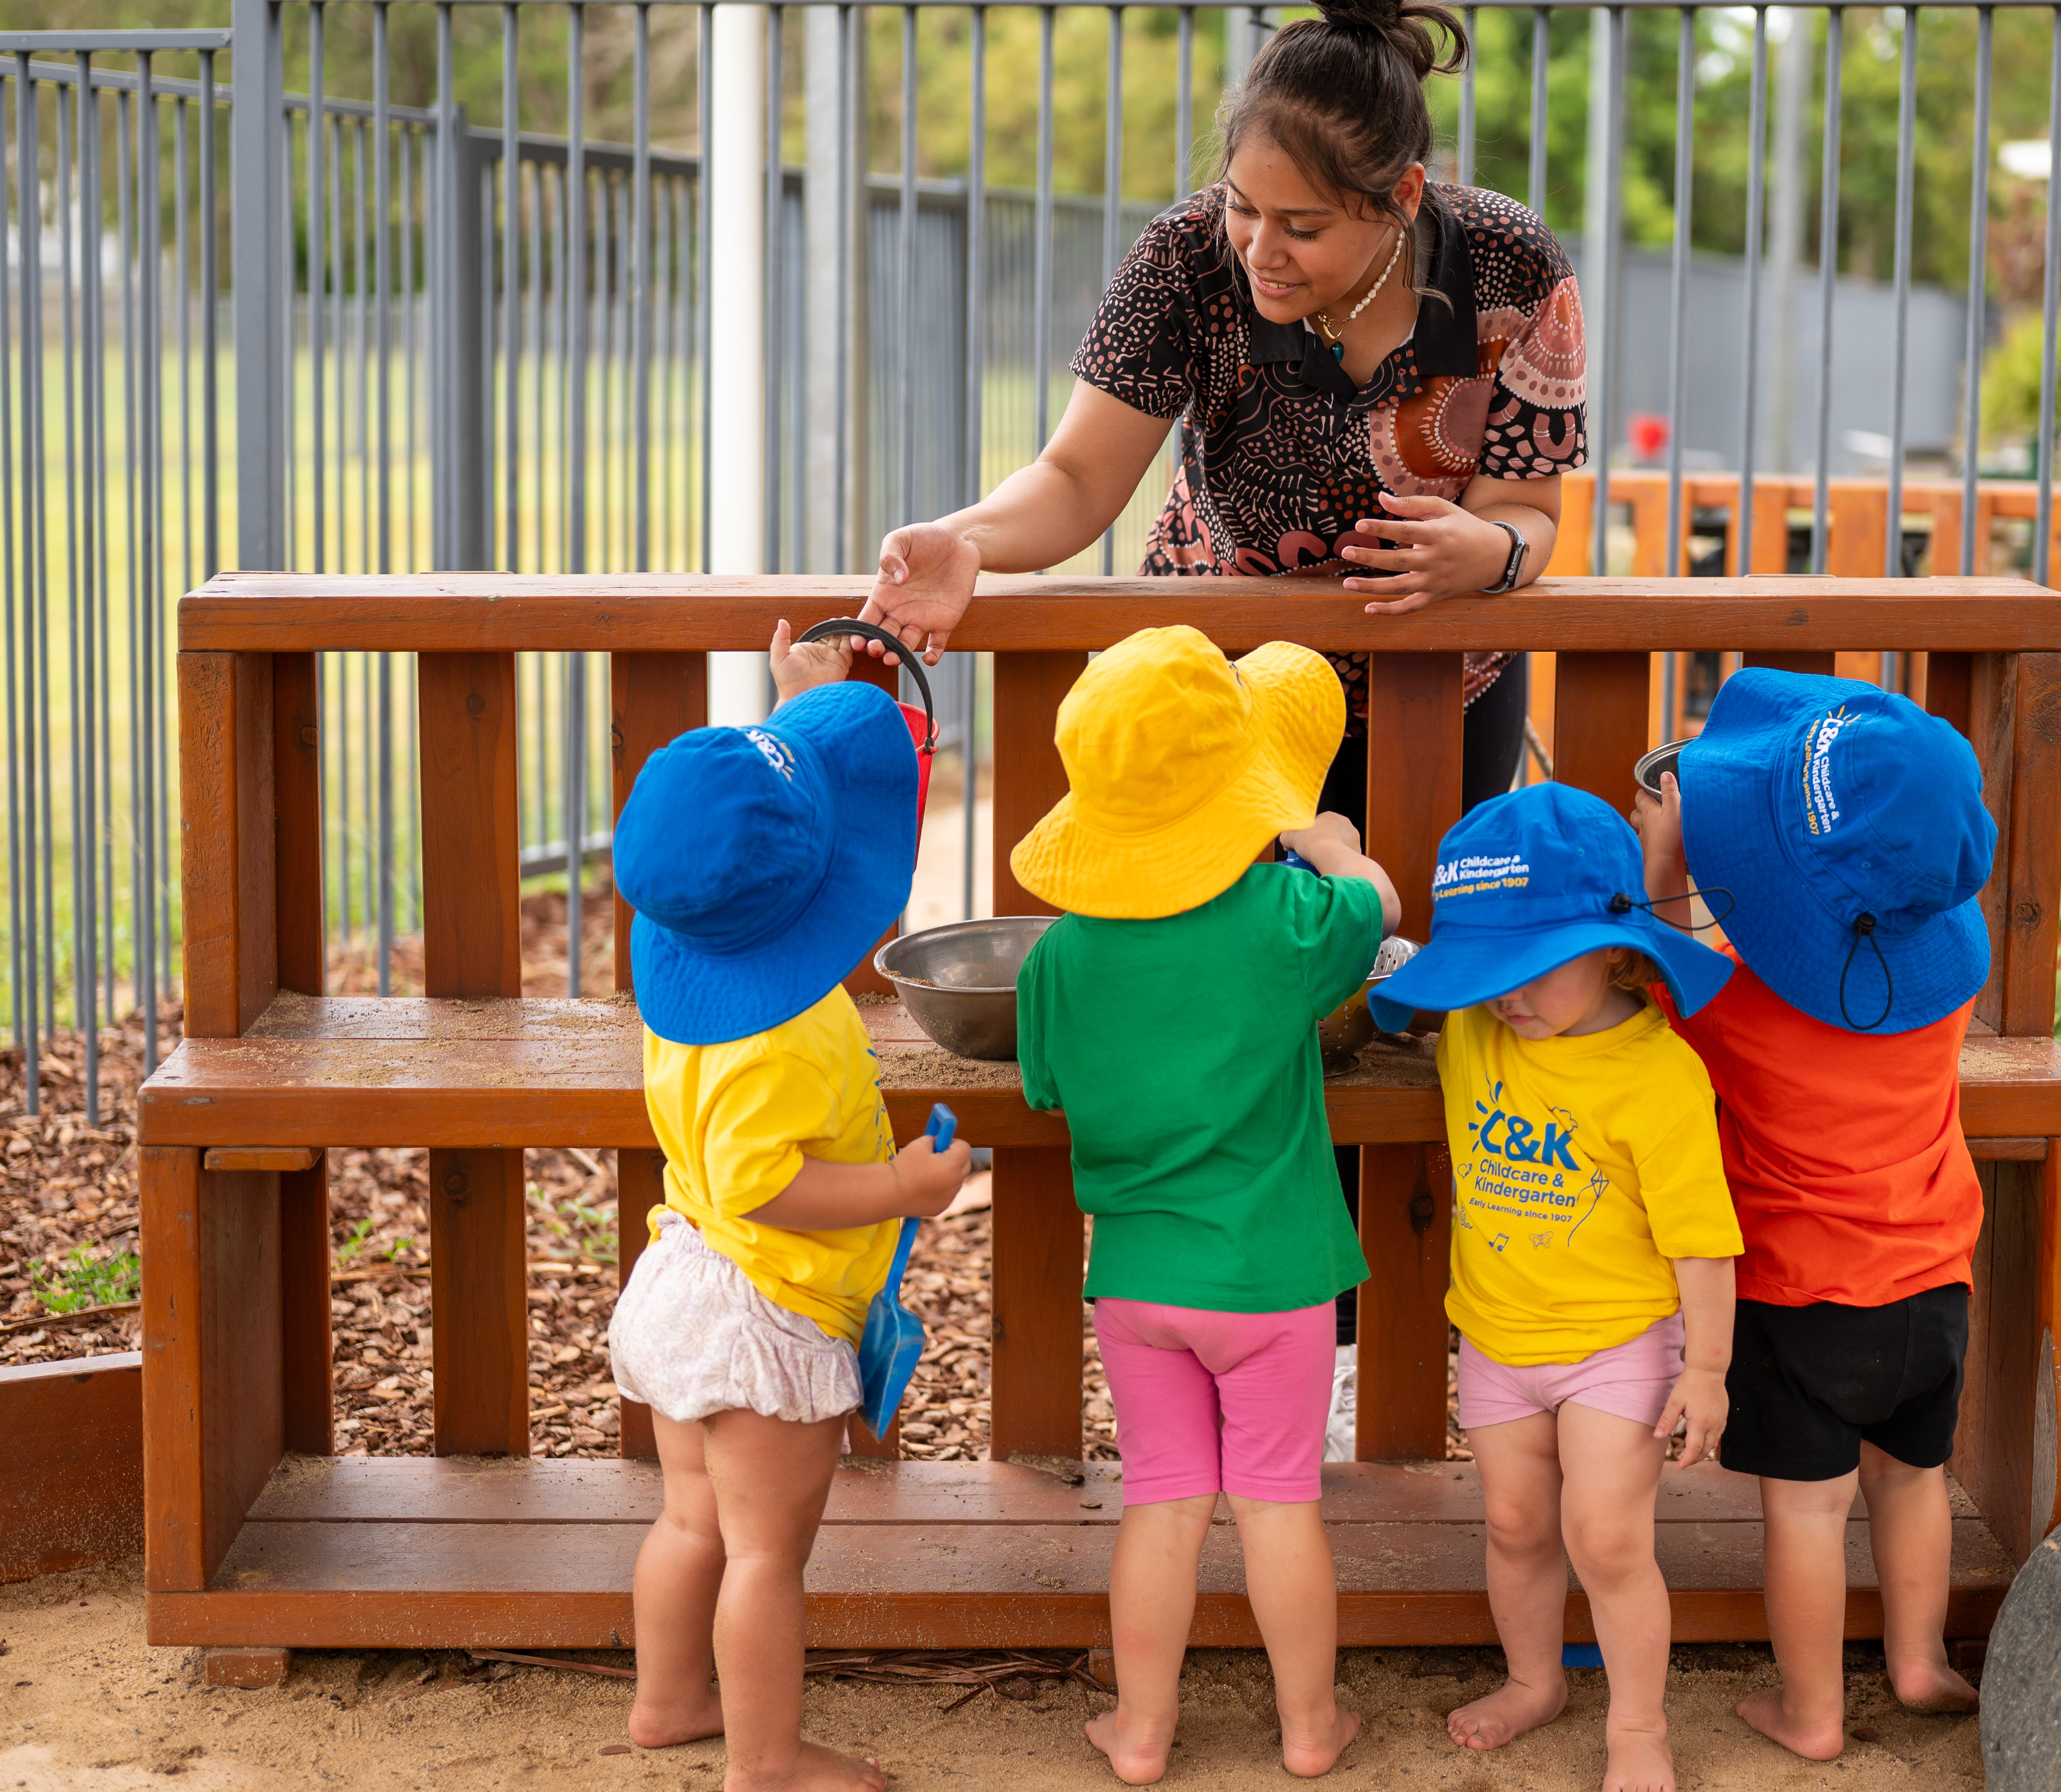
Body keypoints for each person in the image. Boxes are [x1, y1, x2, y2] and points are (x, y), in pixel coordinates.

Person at [855, 0, 1586, 824]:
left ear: (1403, 195)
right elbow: (1075, 479)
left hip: (1439, 674)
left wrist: (1486, 553)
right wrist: (967, 541)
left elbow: (1526, 511)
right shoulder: (1183, 253)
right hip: (1214, 679)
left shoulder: (1512, 261)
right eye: (1244, 206)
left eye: (1302, 227)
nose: (1259, 251)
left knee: (1416, 936)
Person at [1010, 626, 1399, 1786]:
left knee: (1161, 1505)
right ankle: (1309, 1727)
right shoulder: (1284, 927)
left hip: (1137, 1283)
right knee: (1277, 1507)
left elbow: (1042, 1079)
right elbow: (1373, 911)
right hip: (1271, 1281)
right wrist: (1327, 841)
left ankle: (1138, 1731)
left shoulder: (1055, 962)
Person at [606, 624, 976, 1792]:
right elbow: (775, 1183)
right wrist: (904, 1188)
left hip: (687, 1277)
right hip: (765, 1307)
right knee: (766, 1553)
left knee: (689, 1522)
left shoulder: (697, 965)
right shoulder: (776, 1036)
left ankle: (668, 1699)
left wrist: (805, 702)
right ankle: (766, 1762)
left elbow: (753, 825)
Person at [1634, 670, 1994, 1764]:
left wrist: (1665, 857)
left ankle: (1810, 1710)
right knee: (1910, 1478)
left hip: (1799, 1299)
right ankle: (1920, 1658)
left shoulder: (1736, 1002)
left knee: (1804, 1511)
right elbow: (1863, 927)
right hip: (1931, 1285)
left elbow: (1653, 980)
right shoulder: (1940, 984)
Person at [1365, 781, 1741, 1792]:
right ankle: (1534, 1678)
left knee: (1607, 1535)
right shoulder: (1479, 1028)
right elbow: (1389, 990)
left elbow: (1702, 1244)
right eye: (1486, 968)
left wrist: (1705, 1370)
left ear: (1616, 948)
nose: (1507, 992)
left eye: (1530, 964)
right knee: (1518, 1525)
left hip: (1617, 1344)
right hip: (1494, 1337)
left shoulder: (1658, 1076)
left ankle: (1636, 1725)